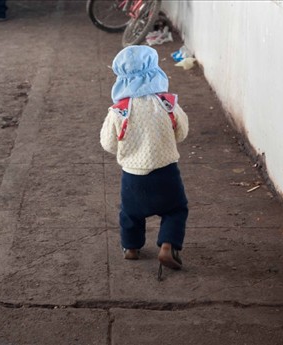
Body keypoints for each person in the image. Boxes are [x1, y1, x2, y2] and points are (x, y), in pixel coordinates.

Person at [100, 45, 189, 276]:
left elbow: (108, 144)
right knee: (176, 209)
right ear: (155, 72)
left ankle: (131, 248)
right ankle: (168, 245)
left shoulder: (119, 110)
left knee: (130, 214)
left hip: (133, 176)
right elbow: (182, 132)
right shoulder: (167, 103)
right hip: (166, 171)